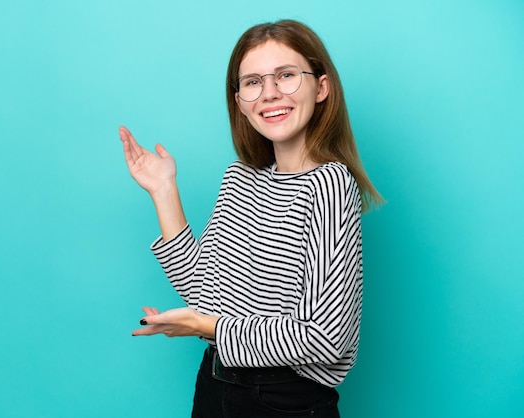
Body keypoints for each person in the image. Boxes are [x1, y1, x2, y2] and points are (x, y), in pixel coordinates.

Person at [119, 19, 382, 418]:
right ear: (239, 100)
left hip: (284, 403)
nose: (270, 93)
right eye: (253, 82)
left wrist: (207, 328)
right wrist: (163, 190)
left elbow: (326, 337)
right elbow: (204, 297)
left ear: (322, 87)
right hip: (214, 386)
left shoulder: (330, 185)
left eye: (287, 75)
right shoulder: (239, 178)